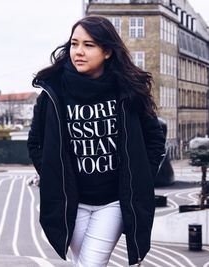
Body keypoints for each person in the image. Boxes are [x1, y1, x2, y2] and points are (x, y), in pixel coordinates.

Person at [27, 16, 166, 267]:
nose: (78, 52)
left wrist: (141, 177)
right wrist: (52, 176)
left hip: (113, 202)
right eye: (74, 44)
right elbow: (35, 143)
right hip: (73, 202)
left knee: (90, 263)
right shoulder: (53, 93)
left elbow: (155, 140)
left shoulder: (128, 90)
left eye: (89, 45)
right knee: (84, 262)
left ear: (107, 51)